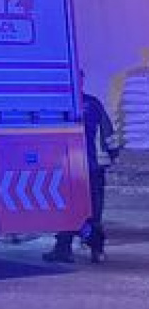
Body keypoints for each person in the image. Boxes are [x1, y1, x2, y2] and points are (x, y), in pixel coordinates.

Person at [44, 74, 120, 264]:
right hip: (92, 168)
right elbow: (108, 132)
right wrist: (112, 154)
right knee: (92, 210)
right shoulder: (93, 103)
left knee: (69, 209)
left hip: (70, 168)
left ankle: (64, 249)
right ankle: (95, 250)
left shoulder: (61, 104)